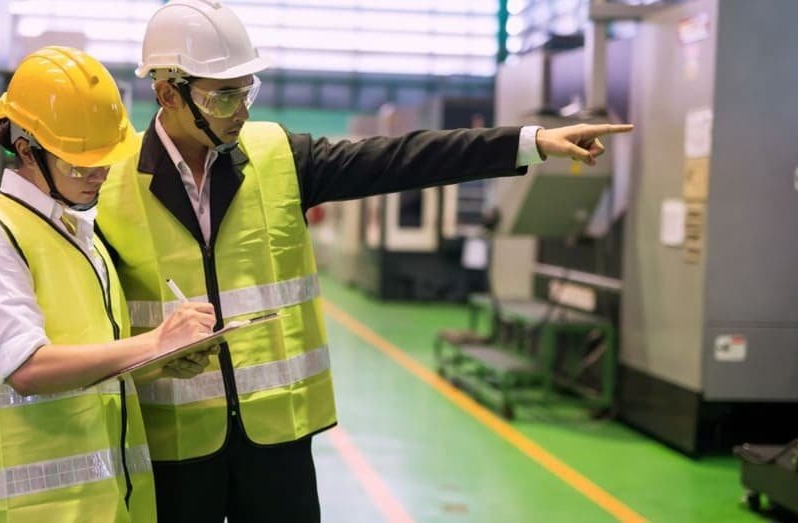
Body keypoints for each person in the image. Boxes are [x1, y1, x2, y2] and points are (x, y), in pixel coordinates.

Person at [95, 2, 634, 521]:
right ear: (167, 93)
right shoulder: (112, 191)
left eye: (247, 92)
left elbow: (400, 159)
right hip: (176, 444)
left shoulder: (279, 155)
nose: (240, 111)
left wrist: (529, 142)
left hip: (277, 438)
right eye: (222, 98)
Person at [0, 46, 215, 522]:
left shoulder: (79, 237)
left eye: (104, 163)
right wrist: (154, 342)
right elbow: (28, 367)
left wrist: (158, 363)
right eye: (79, 165)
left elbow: (89, 367)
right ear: (25, 149)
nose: (96, 178)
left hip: (103, 505)